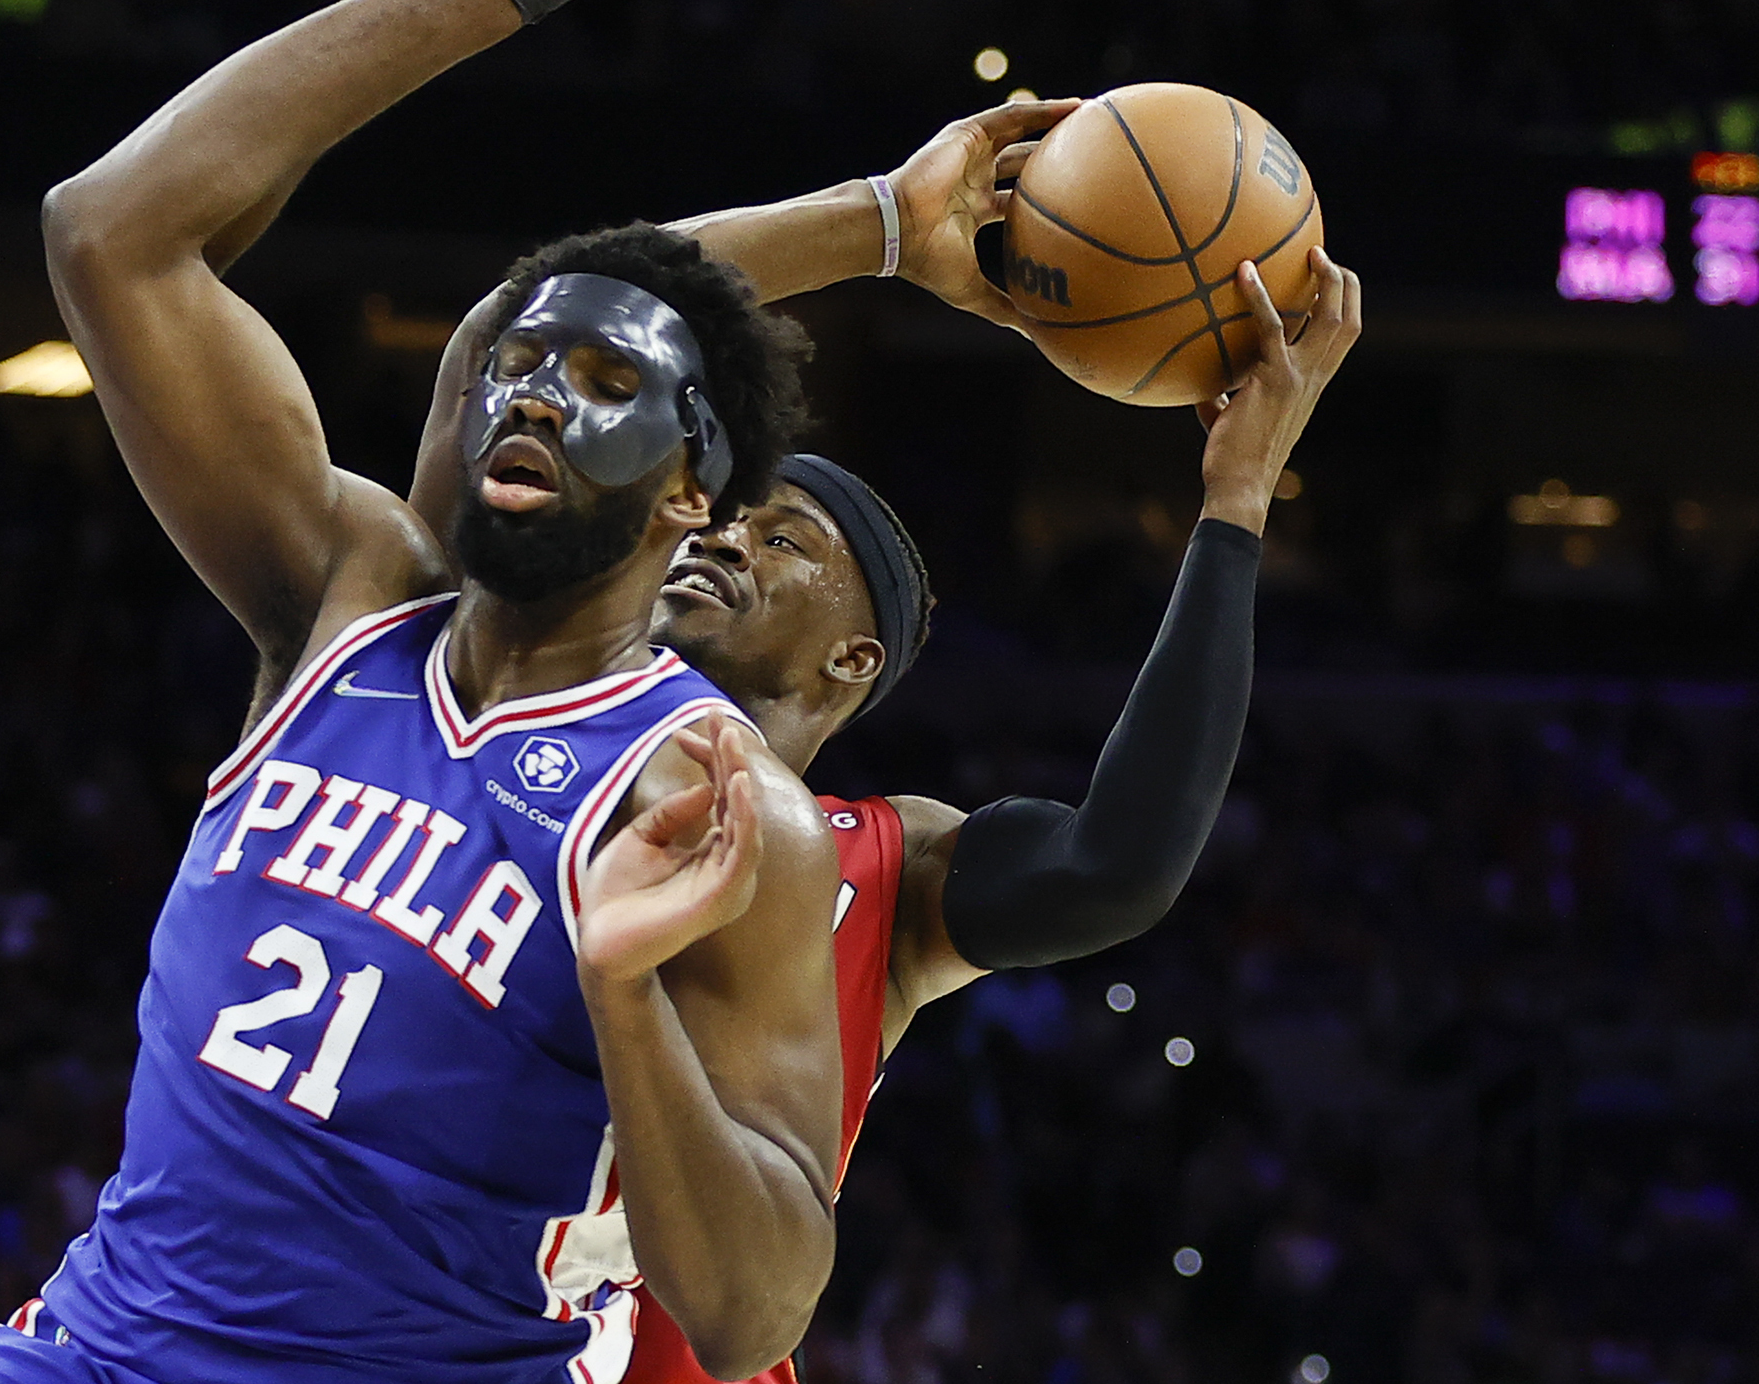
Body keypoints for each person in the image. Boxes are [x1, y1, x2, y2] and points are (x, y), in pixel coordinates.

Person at [0, 0, 845, 1384]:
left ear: (691, 495)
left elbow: (760, 1311)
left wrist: (631, 991)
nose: (536, 392)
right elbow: (112, 233)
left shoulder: (714, 804)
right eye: (519, 363)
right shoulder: (347, 595)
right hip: (95, 1355)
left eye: (606, 383)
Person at [410, 100, 1365, 1384]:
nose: (726, 533)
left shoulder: (881, 865)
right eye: (732, 511)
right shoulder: (494, 708)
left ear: (853, 661)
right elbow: (521, 335)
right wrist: (872, 227)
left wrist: (1235, 504)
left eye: (785, 536)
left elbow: (1119, 867)